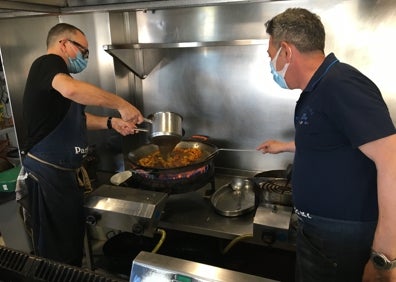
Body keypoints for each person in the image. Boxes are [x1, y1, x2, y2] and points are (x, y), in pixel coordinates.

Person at [256, 8, 396, 282]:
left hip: (342, 240)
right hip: (321, 235)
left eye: (270, 55)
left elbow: (392, 160)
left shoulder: (341, 84)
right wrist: (284, 146)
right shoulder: (318, 88)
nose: (271, 63)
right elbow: (332, 141)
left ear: (286, 51)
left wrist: (384, 258)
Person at [19, 23, 144, 267]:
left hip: (63, 176)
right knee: (58, 257)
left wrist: (111, 123)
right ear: (63, 44)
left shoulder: (58, 80)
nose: (85, 57)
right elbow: (72, 90)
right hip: (47, 176)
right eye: (83, 51)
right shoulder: (48, 65)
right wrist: (121, 104)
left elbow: (76, 120)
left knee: (70, 247)